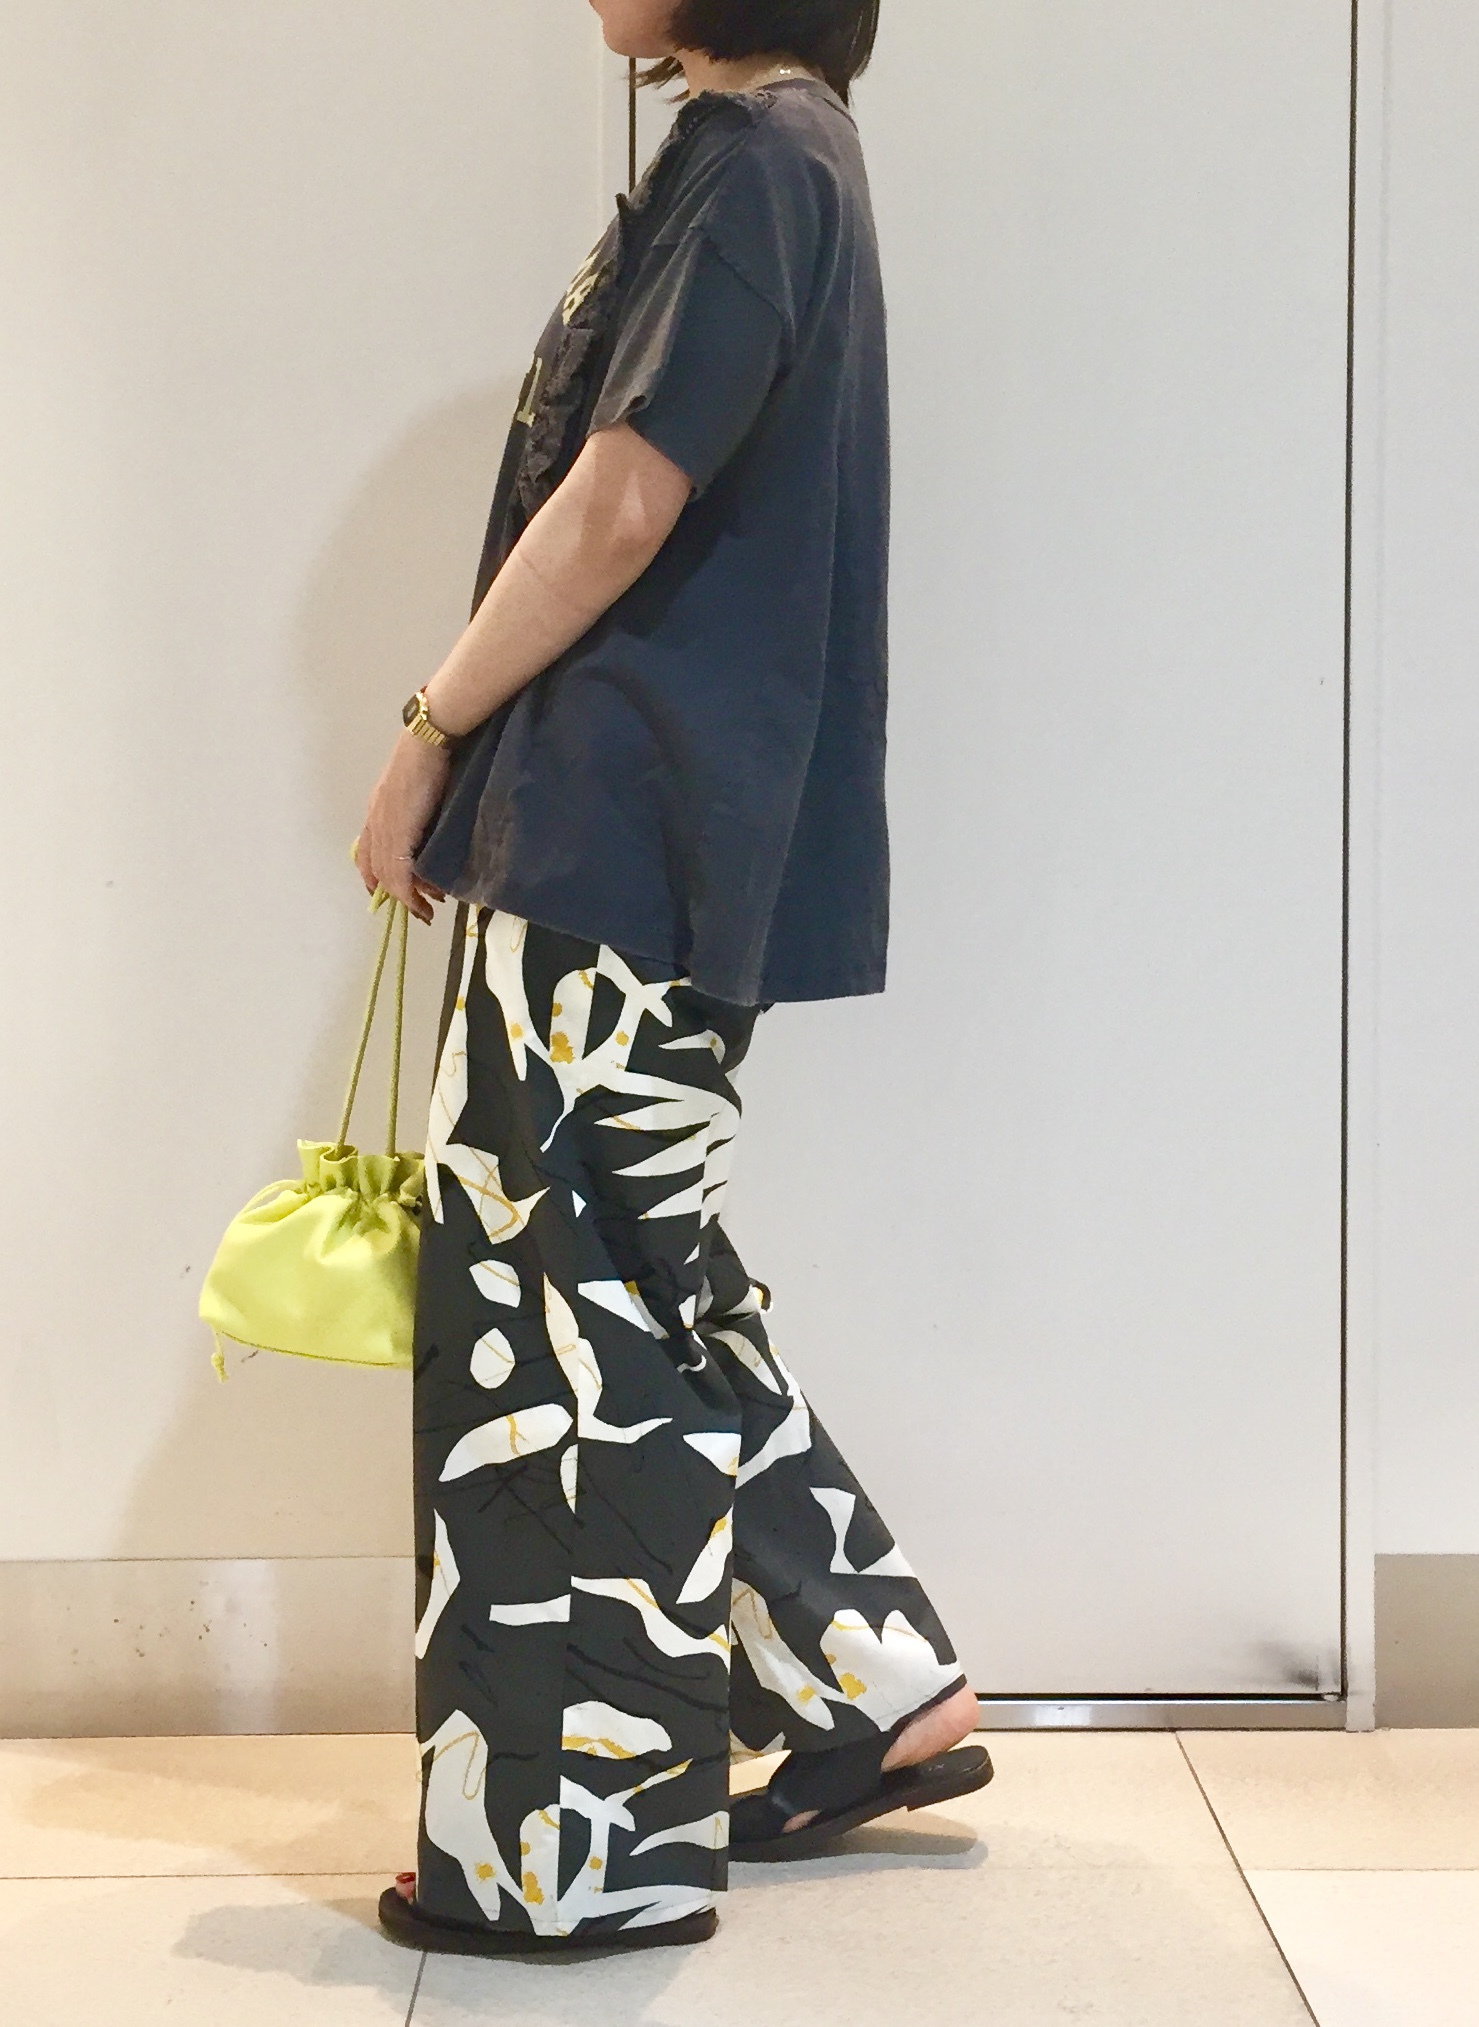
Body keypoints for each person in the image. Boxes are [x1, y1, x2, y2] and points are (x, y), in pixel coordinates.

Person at [355, 0, 988, 1966]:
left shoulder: (757, 163)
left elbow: (623, 500)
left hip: (616, 832)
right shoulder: (768, 152)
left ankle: (571, 1848)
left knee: (553, 1327)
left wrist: (427, 727)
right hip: (655, 835)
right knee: (637, 1267)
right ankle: (867, 1680)